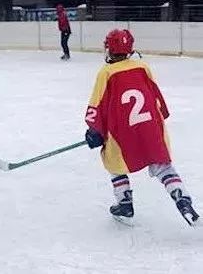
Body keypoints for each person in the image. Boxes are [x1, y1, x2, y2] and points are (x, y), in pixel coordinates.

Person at [84, 29, 199, 225]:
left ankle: (125, 204)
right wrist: (158, 118)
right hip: (150, 127)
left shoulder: (106, 72)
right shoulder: (142, 67)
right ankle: (183, 201)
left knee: (114, 163)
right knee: (163, 165)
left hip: (122, 131)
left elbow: (98, 103)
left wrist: (94, 130)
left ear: (109, 50)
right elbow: (156, 97)